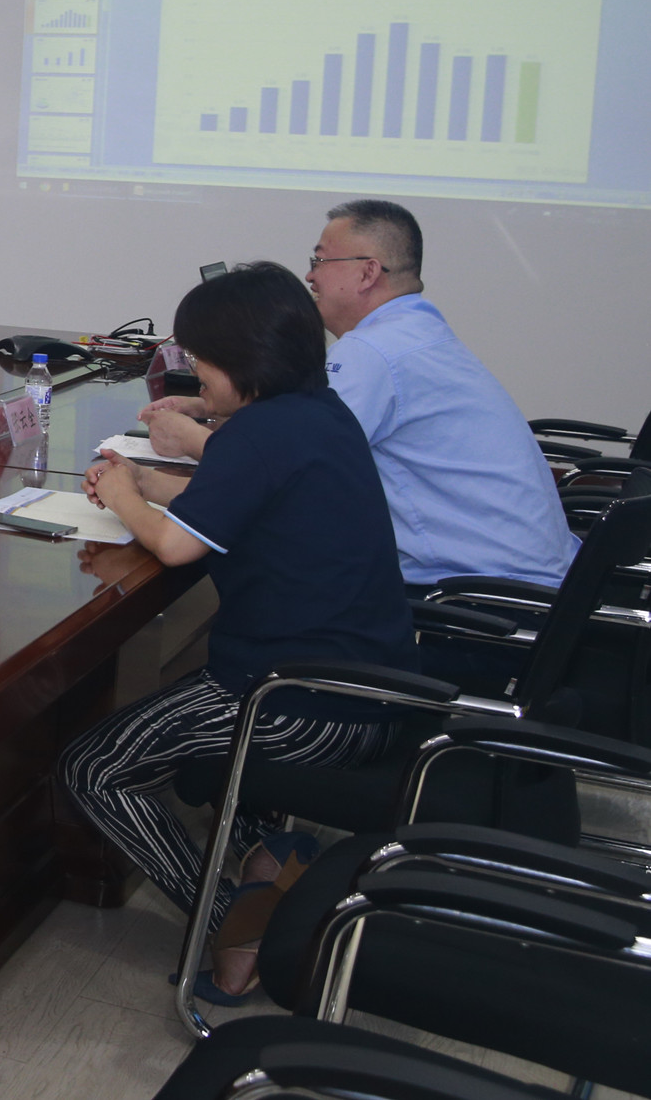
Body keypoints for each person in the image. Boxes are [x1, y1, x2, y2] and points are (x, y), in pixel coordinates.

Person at [58, 262, 417, 1002]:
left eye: (200, 359)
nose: (196, 374)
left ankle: (231, 923)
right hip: (376, 684)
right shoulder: (314, 412)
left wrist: (124, 496)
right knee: (194, 716)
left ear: (240, 360)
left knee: (93, 769)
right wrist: (149, 488)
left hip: (300, 701)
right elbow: (240, 493)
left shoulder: (257, 434)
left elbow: (175, 546)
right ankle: (270, 857)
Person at [140, 199, 572, 590]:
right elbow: (297, 435)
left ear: (368, 272)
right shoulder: (411, 331)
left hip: (480, 593)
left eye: (320, 260)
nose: (310, 275)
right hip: (528, 574)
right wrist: (208, 403)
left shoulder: (374, 351)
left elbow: (280, 468)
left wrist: (189, 437)